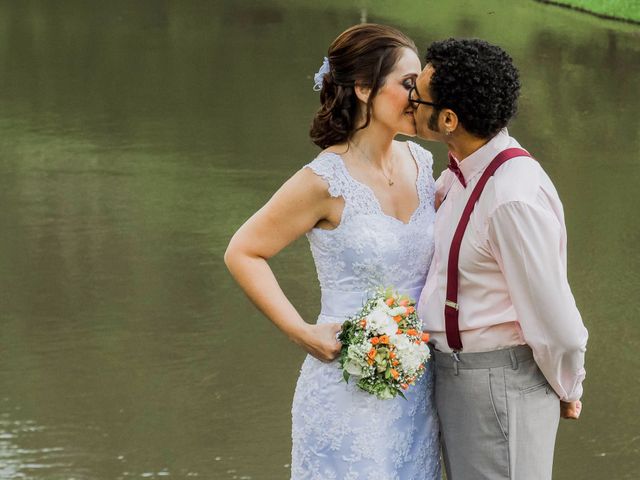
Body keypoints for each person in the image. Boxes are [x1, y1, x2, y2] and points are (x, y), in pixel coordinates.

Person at [225, 24, 441, 480]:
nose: (418, 97)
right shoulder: (323, 181)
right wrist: (301, 331)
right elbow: (243, 252)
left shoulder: (424, 164)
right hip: (344, 395)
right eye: (406, 85)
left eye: (418, 83)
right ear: (363, 88)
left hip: (416, 392)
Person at [409, 37, 588, 480]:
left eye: (418, 93)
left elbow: (557, 323)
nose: (408, 100)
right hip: (457, 378)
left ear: (448, 119)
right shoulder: (460, 176)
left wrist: (567, 385)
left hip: (499, 384)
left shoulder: (511, 197)